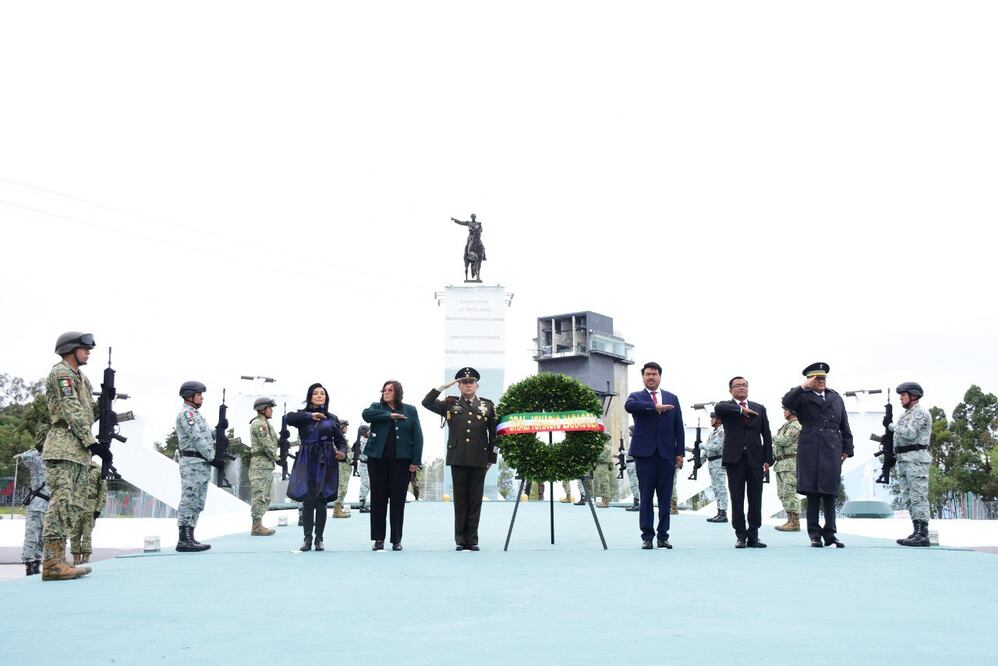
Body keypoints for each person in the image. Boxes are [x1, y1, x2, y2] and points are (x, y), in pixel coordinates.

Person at [41, 331, 102, 580]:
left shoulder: (82, 379)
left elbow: (86, 414)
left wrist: (103, 404)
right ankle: (52, 563)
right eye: (84, 348)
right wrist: (92, 441)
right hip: (63, 447)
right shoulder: (62, 373)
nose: (88, 352)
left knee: (74, 506)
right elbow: (71, 409)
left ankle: (59, 560)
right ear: (70, 349)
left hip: (78, 451)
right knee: (61, 503)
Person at [422, 367, 496, 551]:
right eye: (464, 382)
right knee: (461, 500)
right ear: (459, 386)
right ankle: (461, 540)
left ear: (477, 385)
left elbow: (494, 435)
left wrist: (491, 458)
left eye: (471, 382)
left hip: (479, 458)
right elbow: (427, 402)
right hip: (458, 458)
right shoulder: (450, 404)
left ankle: (473, 540)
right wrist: (442, 387)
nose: (468, 385)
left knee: (475, 500)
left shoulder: (487, 405)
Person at [782, 362, 853, 548]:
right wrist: (803, 387)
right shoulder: (801, 396)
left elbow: (844, 424)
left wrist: (847, 448)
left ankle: (830, 534)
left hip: (832, 447)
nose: (821, 381)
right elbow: (786, 402)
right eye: (817, 379)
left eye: (823, 378)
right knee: (812, 492)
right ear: (809, 380)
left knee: (830, 492)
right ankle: (814, 534)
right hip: (810, 447)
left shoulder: (835, 398)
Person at [624, 361, 685, 550]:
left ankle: (663, 536)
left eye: (654, 374)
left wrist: (680, 452)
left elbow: (678, 426)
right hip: (645, 455)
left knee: (665, 498)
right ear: (643, 377)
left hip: (667, 454)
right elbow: (629, 407)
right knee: (646, 497)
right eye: (648, 374)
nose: (651, 377)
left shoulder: (672, 398)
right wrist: (654, 407)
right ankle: (647, 536)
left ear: (660, 376)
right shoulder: (636, 397)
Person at [286, 383, 349, 552]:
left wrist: (342, 452)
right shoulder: (302, 416)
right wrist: (310, 415)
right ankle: (307, 538)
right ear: (310, 397)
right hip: (307, 459)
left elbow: (341, 441)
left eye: (322, 393)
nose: (320, 396)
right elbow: (287, 418)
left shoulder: (332, 418)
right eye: (316, 393)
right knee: (308, 499)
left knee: (321, 499)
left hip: (326, 459)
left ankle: (319, 538)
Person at [364, 380, 423, 551]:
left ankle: (396, 539)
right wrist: (390, 416)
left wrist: (415, 461)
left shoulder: (410, 410)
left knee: (398, 500)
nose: (386, 392)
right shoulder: (376, 407)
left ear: (398, 392)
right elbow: (366, 415)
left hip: (401, 461)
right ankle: (378, 539)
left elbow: (417, 435)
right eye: (384, 390)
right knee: (378, 499)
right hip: (377, 460)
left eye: (390, 390)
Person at [715, 377, 774, 548]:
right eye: (738, 385)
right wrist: (741, 410)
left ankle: (753, 535)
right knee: (737, 498)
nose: (742, 388)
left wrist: (768, 459)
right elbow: (718, 408)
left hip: (756, 459)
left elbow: (766, 435)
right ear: (730, 390)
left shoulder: (759, 408)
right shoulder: (726, 407)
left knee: (755, 498)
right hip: (735, 459)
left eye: (744, 385)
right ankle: (740, 535)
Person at [175, 380, 219, 553]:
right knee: (190, 499)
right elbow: (196, 438)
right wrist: (212, 457)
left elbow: (206, 435)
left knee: (198, 501)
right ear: (189, 395)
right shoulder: (187, 414)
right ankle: (183, 539)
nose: (202, 397)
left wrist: (218, 431)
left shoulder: (196, 414)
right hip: (192, 463)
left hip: (200, 463)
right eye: (199, 394)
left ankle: (190, 536)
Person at [891, 382, 932, 547]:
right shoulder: (905, 415)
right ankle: (916, 530)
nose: (900, 398)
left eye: (903, 395)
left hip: (916, 460)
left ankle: (923, 534)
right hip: (904, 460)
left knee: (918, 496)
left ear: (913, 396)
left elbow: (910, 433)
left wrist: (892, 427)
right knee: (908, 497)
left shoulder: (920, 413)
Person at [14, 435, 49, 576]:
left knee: (42, 537)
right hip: (37, 504)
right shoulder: (37, 460)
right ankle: (29, 564)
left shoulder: (53, 462)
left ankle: (37, 563)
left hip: (48, 505)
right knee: (32, 534)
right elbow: (26, 456)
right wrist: (37, 448)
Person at [249, 396, 278, 536]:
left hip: (266, 463)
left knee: (265, 495)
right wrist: (277, 457)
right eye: (269, 408)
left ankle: (259, 524)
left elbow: (271, 442)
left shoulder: (266, 424)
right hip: (260, 464)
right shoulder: (259, 424)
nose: (271, 410)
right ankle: (256, 526)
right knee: (259, 494)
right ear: (262, 409)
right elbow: (267, 444)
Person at [70, 461, 106, 565]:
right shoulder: (74, 467)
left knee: (87, 533)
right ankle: (76, 559)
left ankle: (85, 558)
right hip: (75, 505)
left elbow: (103, 491)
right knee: (74, 533)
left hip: (90, 505)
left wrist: (98, 509)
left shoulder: (98, 470)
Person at [772, 408, 802, 532]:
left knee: (789, 492)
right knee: (783, 493)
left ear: (792, 411)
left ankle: (795, 522)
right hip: (781, 464)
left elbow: (786, 440)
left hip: (790, 464)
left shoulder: (796, 425)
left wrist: (769, 437)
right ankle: (790, 520)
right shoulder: (786, 425)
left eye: (786, 410)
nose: (784, 412)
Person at [702, 412, 728, 523]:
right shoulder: (713, 432)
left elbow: (715, 447)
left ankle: (723, 512)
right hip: (712, 463)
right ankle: (719, 511)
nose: (711, 420)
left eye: (713, 418)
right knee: (716, 488)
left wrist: (702, 446)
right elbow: (707, 450)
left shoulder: (722, 432)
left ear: (718, 420)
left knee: (720, 487)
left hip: (718, 463)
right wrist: (700, 461)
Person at [333, 420, 352, 518]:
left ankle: (338, 509)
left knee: (343, 488)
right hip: (341, 465)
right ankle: (337, 511)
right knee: (341, 488)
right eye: (345, 426)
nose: (346, 428)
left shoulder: (342, 438)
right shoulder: (336, 439)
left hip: (345, 466)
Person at [353, 425, 372, 513]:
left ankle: (362, 504)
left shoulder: (360, 441)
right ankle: (362, 504)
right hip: (364, 465)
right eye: (368, 431)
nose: (369, 432)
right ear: (364, 432)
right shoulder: (363, 441)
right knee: (367, 484)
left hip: (366, 465)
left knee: (365, 485)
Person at [625, 426, 640, 512]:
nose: (629, 433)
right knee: (633, 484)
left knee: (634, 484)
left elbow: (632, 453)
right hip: (630, 464)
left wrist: (624, 452)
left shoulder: (636, 441)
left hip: (632, 464)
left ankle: (637, 502)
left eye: (630, 431)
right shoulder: (634, 441)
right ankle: (636, 501)